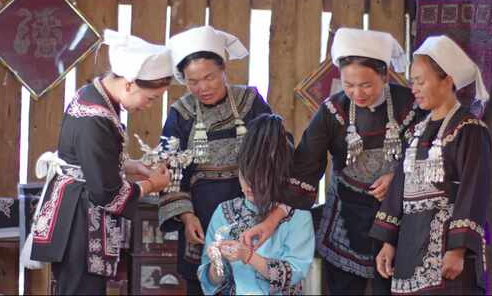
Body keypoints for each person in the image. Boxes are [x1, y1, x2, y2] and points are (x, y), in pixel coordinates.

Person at [243, 28, 424, 295]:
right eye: (349, 85)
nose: (357, 93)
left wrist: (398, 178)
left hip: (400, 213)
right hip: (347, 217)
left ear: (385, 75)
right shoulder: (332, 111)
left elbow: (430, 152)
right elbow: (305, 169)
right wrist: (271, 222)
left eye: (366, 85)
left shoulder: (410, 105)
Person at [28, 29, 172, 295]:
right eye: (150, 98)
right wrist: (152, 184)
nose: (149, 105)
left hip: (77, 209)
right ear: (129, 84)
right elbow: (107, 193)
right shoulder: (96, 117)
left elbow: (94, 157)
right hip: (79, 219)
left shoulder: (93, 94)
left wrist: (135, 166)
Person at [158, 25, 288, 295]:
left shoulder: (249, 102)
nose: (202, 87)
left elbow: (278, 147)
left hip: (252, 213)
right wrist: (186, 216)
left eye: (209, 77)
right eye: (193, 81)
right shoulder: (180, 114)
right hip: (201, 218)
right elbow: (169, 171)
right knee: (205, 283)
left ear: (223, 69)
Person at [371, 35, 492, 295]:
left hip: (446, 254)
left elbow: (474, 192)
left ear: (447, 81)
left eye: (421, 81)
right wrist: (389, 242)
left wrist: (457, 249)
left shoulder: (469, 130)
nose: (414, 88)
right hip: (409, 250)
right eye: (412, 81)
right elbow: (399, 190)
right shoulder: (416, 132)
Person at [197, 114, 315, 295]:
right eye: (245, 175)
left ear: (278, 175)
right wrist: (217, 264)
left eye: (260, 178)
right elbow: (211, 282)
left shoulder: (296, 215)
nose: (249, 186)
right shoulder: (224, 212)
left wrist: (248, 256)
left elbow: (294, 273)